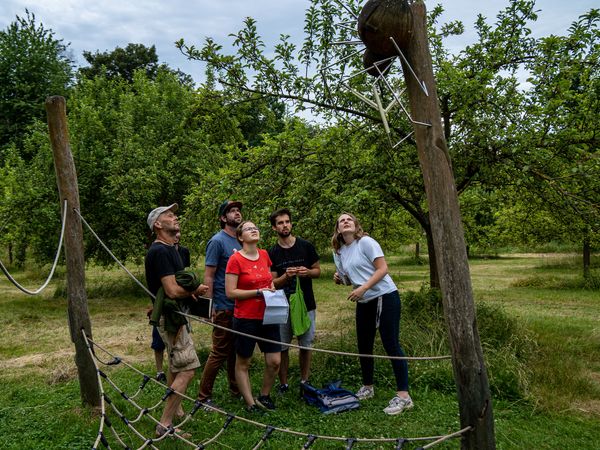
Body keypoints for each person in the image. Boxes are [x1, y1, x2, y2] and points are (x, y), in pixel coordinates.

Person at [332, 212, 413, 415]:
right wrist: (341, 280)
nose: (346, 221)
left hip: (385, 296)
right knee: (364, 345)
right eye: (341, 221)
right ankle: (368, 387)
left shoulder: (366, 242)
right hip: (365, 300)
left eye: (349, 219)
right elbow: (350, 279)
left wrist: (363, 288)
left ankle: (404, 396)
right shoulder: (339, 251)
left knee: (390, 343)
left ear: (356, 225)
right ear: (338, 230)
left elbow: (382, 269)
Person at [145, 204, 209, 436]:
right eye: (169, 215)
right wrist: (197, 291)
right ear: (158, 225)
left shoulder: (170, 249)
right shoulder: (160, 251)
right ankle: (165, 423)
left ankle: (175, 412)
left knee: (176, 366)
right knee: (188, 369)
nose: (175, 217)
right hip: (171, 318)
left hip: (174, 316)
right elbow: (171, 290)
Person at [225, 221, 281, 412]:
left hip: (269, 314)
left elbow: (269, 281)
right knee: (244, 361)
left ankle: (264, 396)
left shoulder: (265, 255)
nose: (254, 230)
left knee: (274, 361)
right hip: (246, 318)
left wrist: (271, 287)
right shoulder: (235, 260)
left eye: (255, 227)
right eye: (249, 228)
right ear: (240, 237)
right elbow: (231, 292)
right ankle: (250, 403)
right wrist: (257, 292)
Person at [268, 208, 320, 392]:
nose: (285, 225)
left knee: (305, 344)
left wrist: (307, 272)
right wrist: (285, 277)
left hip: (306, 303)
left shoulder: (305, 246)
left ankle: (305, 381)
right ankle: (284, 383)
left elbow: (318, 271)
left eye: (287, 222)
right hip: (282, 306)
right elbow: (272, 282)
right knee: (283, 346)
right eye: (280, 223)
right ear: (274, 228)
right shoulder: (272, 252)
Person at [197, 200, 243, 407]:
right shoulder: (217, 241)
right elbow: (209, 276)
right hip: (223, 306)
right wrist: (209, 307)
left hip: (240, 306)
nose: (237, 213)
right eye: (232, 211)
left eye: (238, 210)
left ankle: (235, 389)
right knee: (219, 352)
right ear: (223, 218)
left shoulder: (241, 241)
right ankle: (203, 397)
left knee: (235, 350)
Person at [150, 231, 190, 383]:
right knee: (159, 341)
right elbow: (166, 287)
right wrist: (194, 290)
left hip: (179, 306)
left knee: (179, 357)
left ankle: (174, 405)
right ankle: (159, 370)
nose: (178, 235)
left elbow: (182, 276)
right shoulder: (160, 251)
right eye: (175, 232)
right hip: (163, 307)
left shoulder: (183, 251)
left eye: (180, 232)